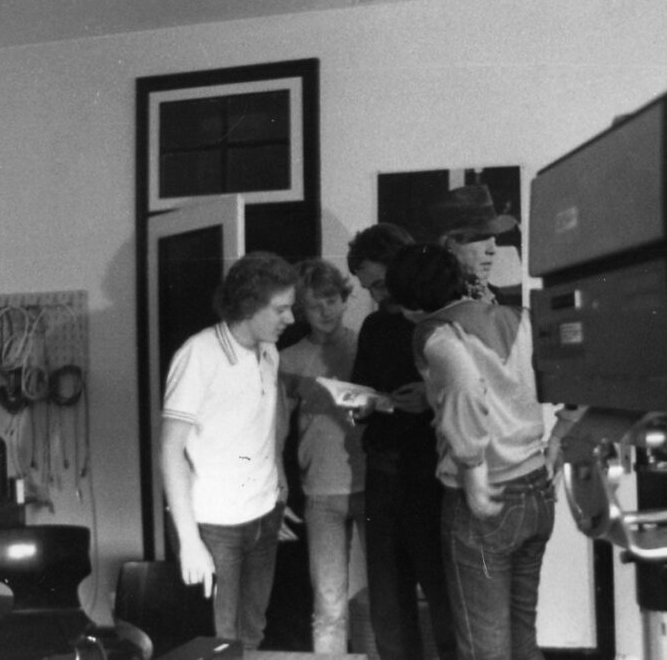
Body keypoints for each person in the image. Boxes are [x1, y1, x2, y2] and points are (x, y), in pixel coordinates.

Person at [385, 243, 568, 660]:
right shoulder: (519, 317)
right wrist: (560, 437)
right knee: (523, 639)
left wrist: (473, 466)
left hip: (486, 504)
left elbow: (466, 384)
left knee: (485, 649)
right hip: (537, 492)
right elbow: (577, 371)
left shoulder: (433, 331)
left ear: (412, 301)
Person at [159, 250, 296, 649]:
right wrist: (189, 542)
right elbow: (170, 452)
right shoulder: (198, 355)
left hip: (264, 515)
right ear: (249, 305)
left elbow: (263, 426)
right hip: (214, 526)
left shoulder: (269, 352)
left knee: (253, 631)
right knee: (221, 641)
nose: (290, 319)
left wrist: (276, 489)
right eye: (281, 309)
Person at [346, 223, 458, 660]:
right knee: (388, 604)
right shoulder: (374, 326)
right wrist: (360, 405)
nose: (376, 296)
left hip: (430, 475)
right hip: (382, 472)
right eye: (367, 288)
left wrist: (429, 398)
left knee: (443, 593)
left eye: (379, 283)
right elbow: (363, 387)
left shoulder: (441, 322)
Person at [278, 258, 365, 654]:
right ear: (302, 310)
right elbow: (275, 430)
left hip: (373, 485)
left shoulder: (366, 346)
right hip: (321, 492)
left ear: (344, 299)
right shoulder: (289, 359)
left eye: (331, 300)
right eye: (314, 305)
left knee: (383, 598)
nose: (325, 311)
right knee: (329, 604)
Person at [426, 184, 519, 304]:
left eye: (495, 238)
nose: (492, 250)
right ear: (448, 244)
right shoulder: (431, 302)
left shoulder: (496, 299)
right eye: (481, 238)